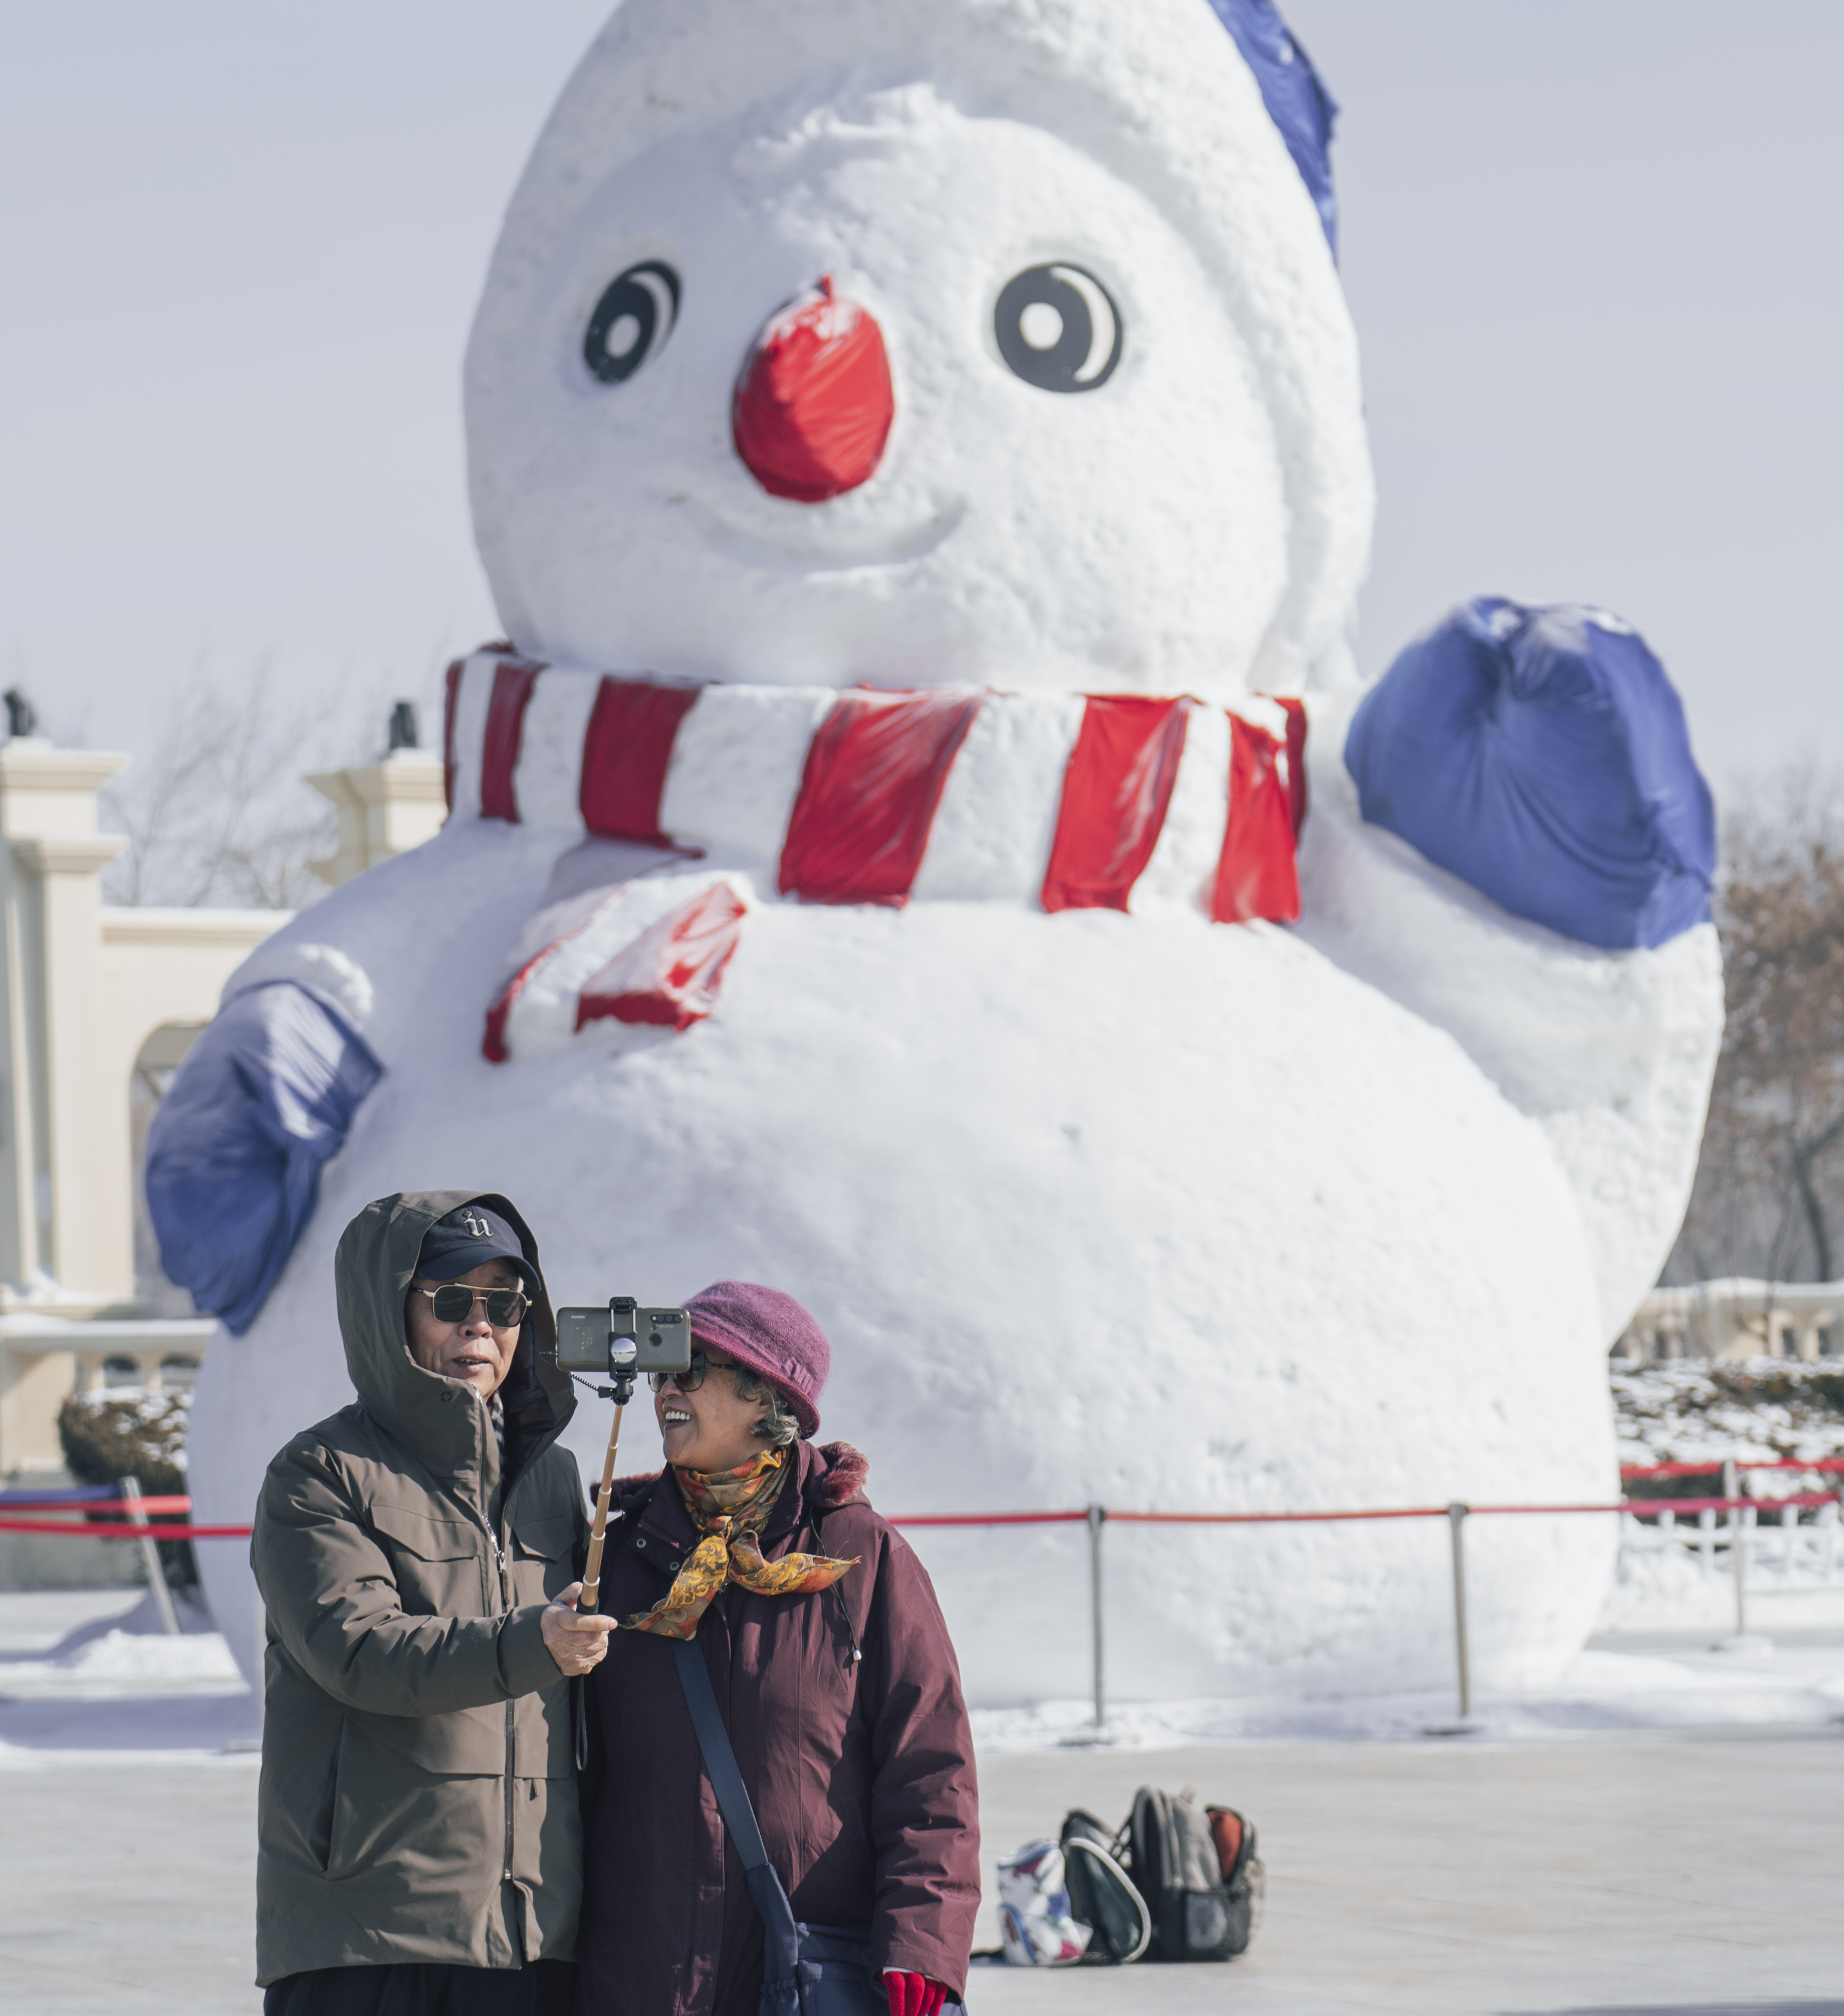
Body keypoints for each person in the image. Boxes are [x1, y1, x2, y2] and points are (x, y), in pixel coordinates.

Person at [575, 1281, 980, 2016]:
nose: (669, 1387)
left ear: (768, 1399)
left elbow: (931, 1772)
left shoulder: (863, 1556)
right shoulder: (615, 1555)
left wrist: (921, 1948)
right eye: (666, 1369)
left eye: (694, 1369)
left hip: (802, 1980)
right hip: (637, 1982)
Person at [252, 1190, 612, 2016]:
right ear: (390, 1313)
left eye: (504, 1303)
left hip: (532, 1935)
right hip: (370, 1934)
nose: (480, 1326)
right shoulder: (320, 1473)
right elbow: (360, 1650)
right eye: (452, 1300)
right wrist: (535, 1643)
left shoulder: (552, 1479)